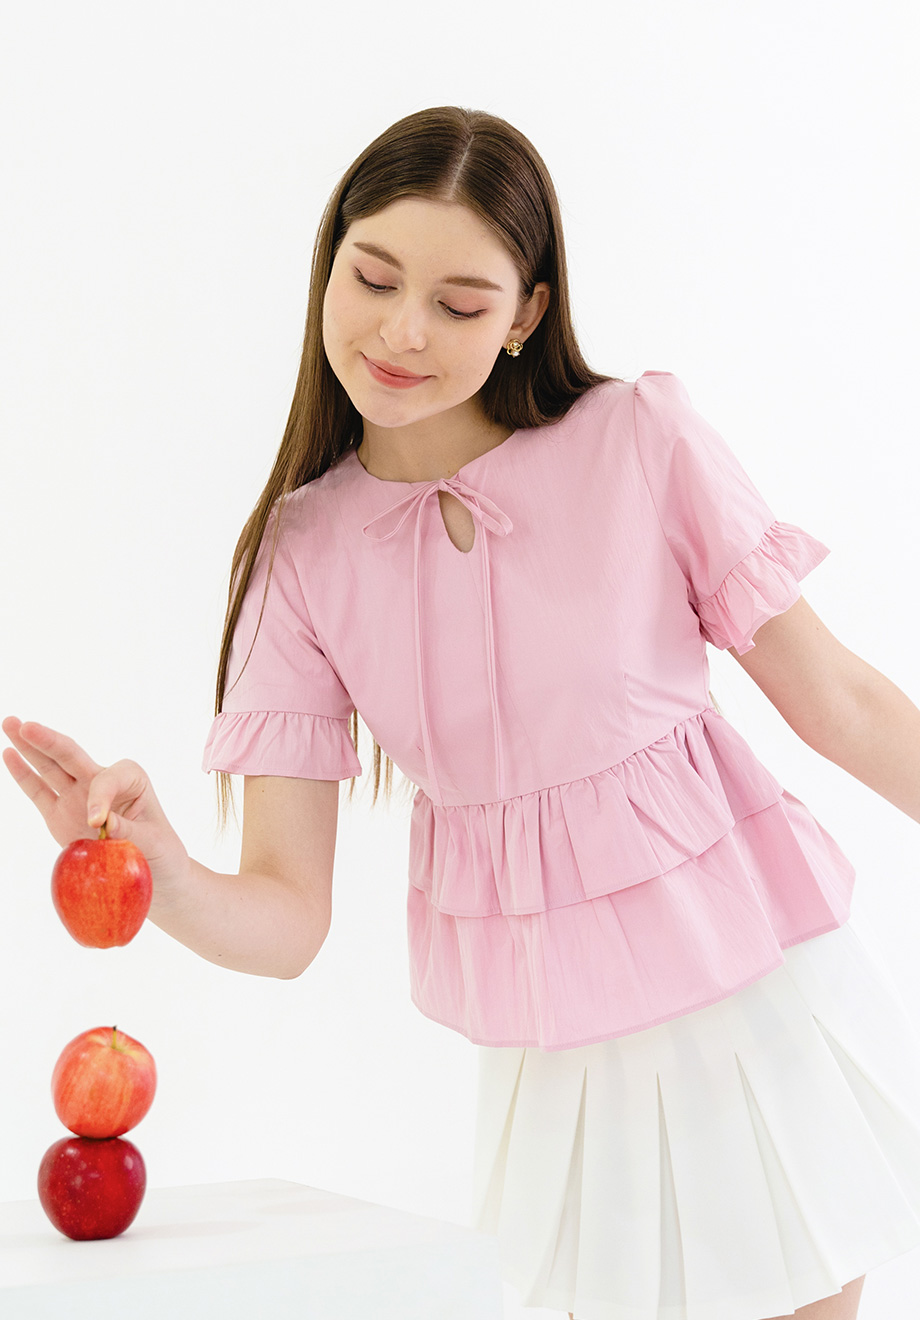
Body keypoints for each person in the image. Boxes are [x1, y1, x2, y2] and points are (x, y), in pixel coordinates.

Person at [4, 106, 920, 1320]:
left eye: (458, 302)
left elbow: (839, 701)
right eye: (373, 278)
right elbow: (285, 920)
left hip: (748, 997)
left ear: (524, 313)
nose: (401, 331)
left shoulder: (636, 438)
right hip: (556, 1060)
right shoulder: (302, 554)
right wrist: (153, 865)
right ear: (329, 263)